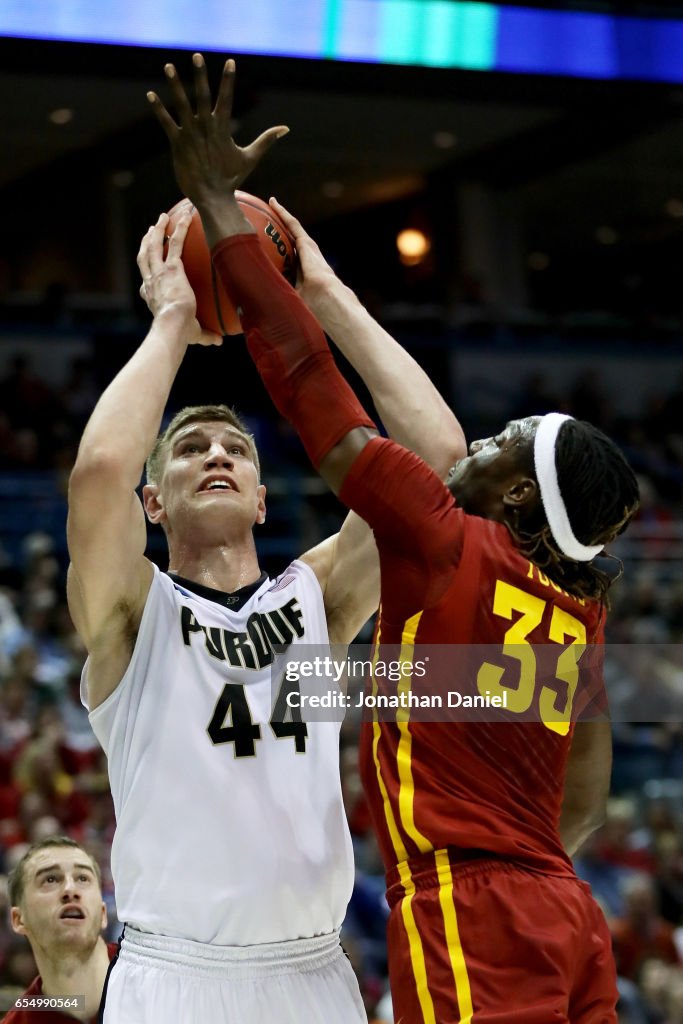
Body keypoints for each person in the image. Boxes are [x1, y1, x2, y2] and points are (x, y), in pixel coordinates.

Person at [150, 54, 642, 1024]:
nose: (479, 440)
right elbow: (581, 803)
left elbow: (305, 384)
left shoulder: (445, 535)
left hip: (469, 906)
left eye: (503, 444)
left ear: (517, 500)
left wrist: (220, 211)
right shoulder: (576, 613)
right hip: (565, 914)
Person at [66, 59, 463, 1024]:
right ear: (155, 502)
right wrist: (169, 324)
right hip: (172, 976)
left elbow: (440, 461)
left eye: (234, 448)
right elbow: (95, 475)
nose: (214, 455)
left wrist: (320, 295)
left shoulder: (316, 598)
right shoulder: (131, 612)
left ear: (259, 496)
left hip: (316, 975)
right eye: (191, 448)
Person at [4, 836, 116, 1023]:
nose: (70, 889)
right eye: (50, 879)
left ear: (103, 913)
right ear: (18, 919)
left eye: (82, 878)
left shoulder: (159, 976)